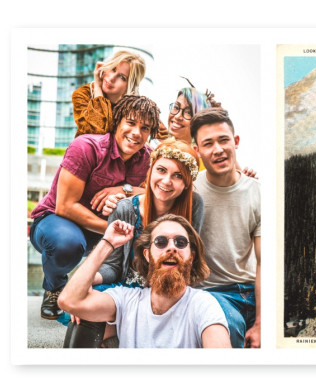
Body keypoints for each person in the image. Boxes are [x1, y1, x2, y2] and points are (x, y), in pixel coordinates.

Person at [60, 139, 204, 347]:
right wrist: (91, 279)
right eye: (161, 170)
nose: (166, 181)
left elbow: (191, 261)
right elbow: (113, 265)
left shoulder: (194, 205)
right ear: (151, 170)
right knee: (83, 314)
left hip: (168, 289)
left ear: (187, 183)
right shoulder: (125, 209)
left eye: (178, 175)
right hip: (127, 288)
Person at [29, 94, 160, 320]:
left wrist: (124, 188)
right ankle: (54, 287)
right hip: (56, 221)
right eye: (130, 122)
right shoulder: (86, 147)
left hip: (105, 230)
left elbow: (158, 191)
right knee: (67, 244)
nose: (137, 132)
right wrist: (112, 231)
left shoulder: (150, 159)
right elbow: (65, 206)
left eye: (145, 127)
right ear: (117, 122)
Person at [58, 215, 231, 348]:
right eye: (161, 242)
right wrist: (107, 243)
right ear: (147, 255)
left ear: (191, 257)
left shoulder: (203, 305)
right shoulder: (126, 299)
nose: (171, 247)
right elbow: (69, 300)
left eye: (180, 242)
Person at [190, 107, 261, 348]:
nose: (218, 149)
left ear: (236, 141)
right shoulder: (190, 192)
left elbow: (264, 263)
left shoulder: (258, 192)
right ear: (197, 151)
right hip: (214, 293)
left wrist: (261, 322)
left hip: (254, 289)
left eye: (223, 140)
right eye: (208, 144)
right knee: (228, 329)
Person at [72, 50, 147, 138]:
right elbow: (96, 132)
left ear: (130, 85)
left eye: (122, 77)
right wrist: (98, 88)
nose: (111, 78)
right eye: (113, 69)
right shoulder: (83, 94)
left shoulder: (134, 108)